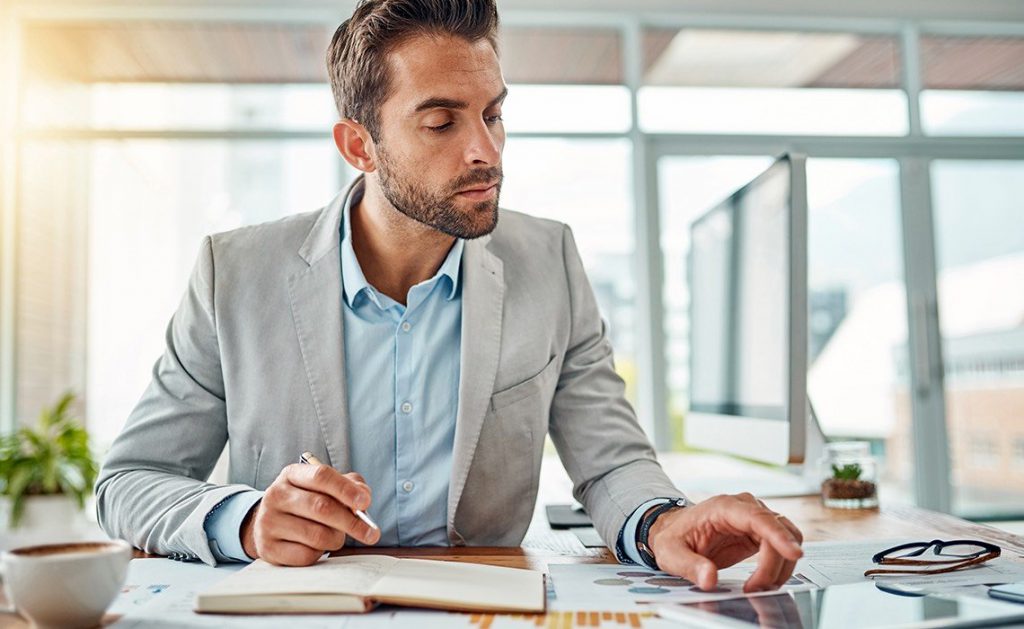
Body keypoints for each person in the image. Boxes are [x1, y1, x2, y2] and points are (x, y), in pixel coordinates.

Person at [96, 0, 803, 593]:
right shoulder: (235, 273)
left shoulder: (548, 259)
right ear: (359, 145)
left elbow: (611, 459)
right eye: (442, 123)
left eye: (493, 114)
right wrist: (245, 519)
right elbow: (129, 481)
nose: (486, 151)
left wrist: (658, 521)